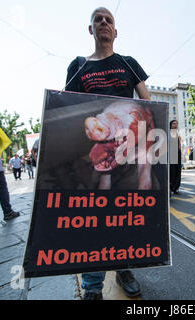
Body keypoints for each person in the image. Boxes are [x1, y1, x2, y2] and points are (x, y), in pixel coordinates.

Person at [65, 7, 150, 300]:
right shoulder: (78, 65)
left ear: (115, 31)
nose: (103, 23)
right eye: (97, 20)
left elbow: (148, 103)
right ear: (91, 30)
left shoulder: (129, 63)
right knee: (95, 216)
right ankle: (92, 286)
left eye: (109, 20)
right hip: (97, 151)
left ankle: (125, 268)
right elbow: (69, 106)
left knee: (123, 215)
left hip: (127, 149)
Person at [169, 120, 182, 195]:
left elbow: (179, 143)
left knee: (178, 170)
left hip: (178, 153)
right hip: (171, 154)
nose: (175, 125)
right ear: (170, 125)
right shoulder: (168, 133)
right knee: (172, 171)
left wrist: (180, 151)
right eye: (174, 123)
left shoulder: (177, 133)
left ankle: (176, 188)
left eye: (177, 123)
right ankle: (171, 187)